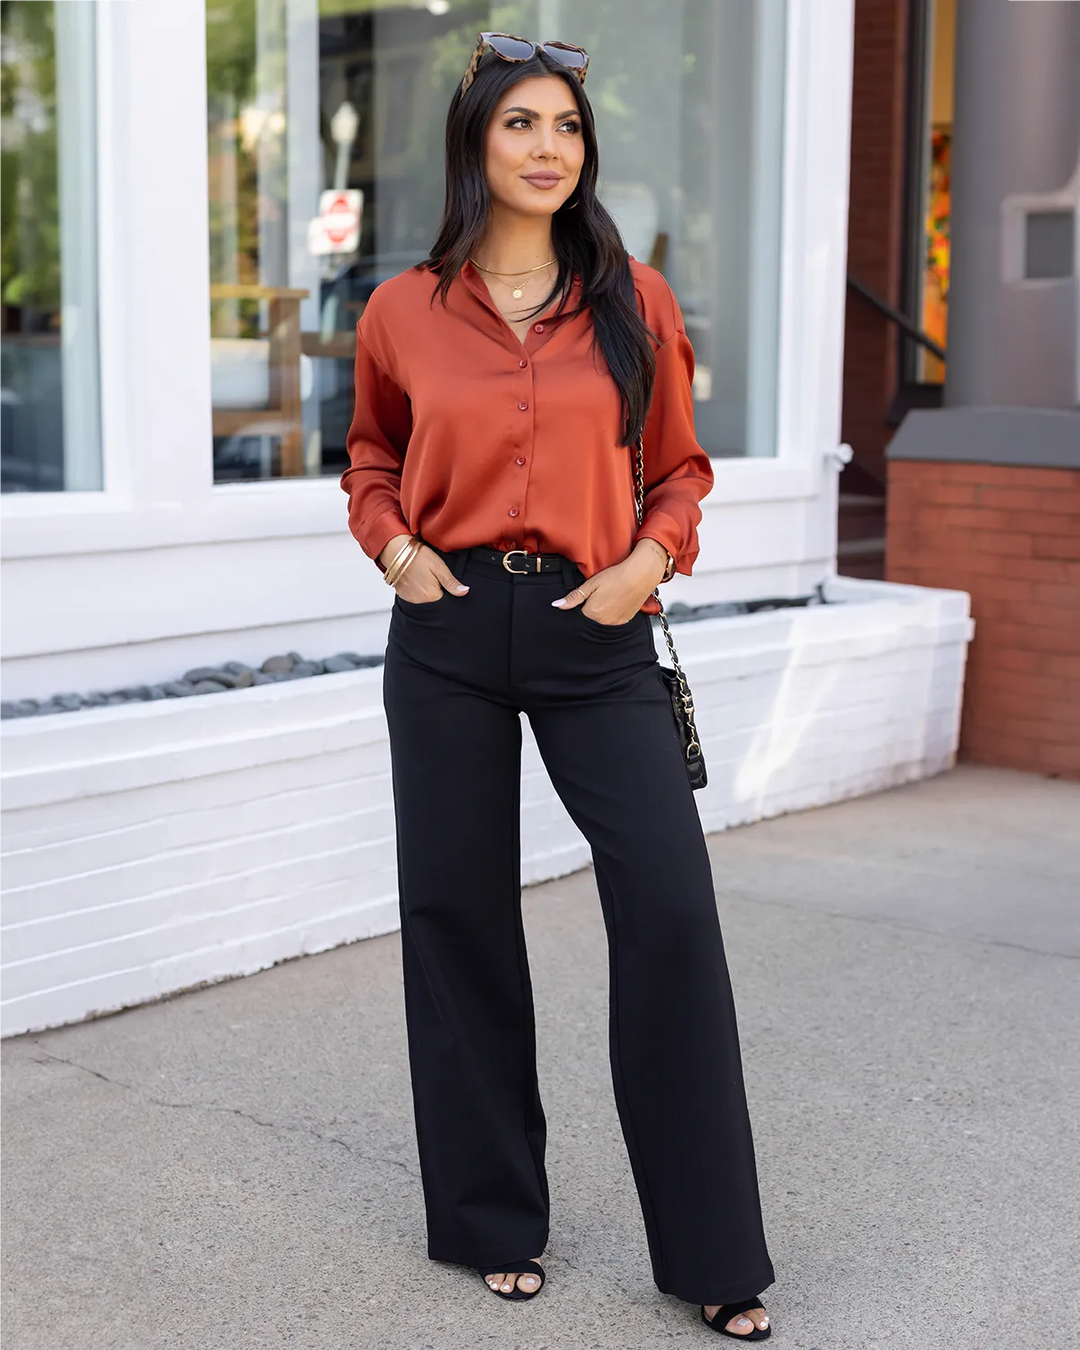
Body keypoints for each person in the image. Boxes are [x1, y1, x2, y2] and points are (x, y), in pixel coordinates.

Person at [340, 31, 776, 1340]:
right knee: (458, 913)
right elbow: (370, 457)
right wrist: (401, 554)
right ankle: (489, 1218)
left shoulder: (631, 298)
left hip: (597, 630)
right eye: (521, 123)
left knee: (670, 914)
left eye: (568, 128)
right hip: (451, 629)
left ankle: (713, 1250)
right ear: (477, 142)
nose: (548, 147)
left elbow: (681, 468)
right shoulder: (402, 310)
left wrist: (649, 562)